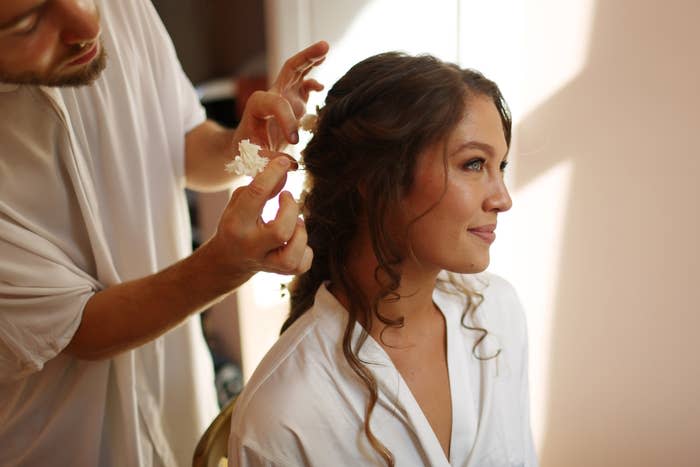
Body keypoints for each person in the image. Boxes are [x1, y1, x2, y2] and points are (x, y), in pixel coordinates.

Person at [0, 0, 328, 465]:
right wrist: (223, 266)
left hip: (177, 398)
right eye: (28, 22)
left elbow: (183, 146)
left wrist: (243, 145)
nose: (86, 23)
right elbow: (78, 330)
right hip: (63, 442)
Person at [228, 52, 539, 466]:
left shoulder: (498, 314)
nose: (502, 198)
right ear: (376, 180)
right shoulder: (284, 413)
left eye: (499, 166)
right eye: (474, 164)